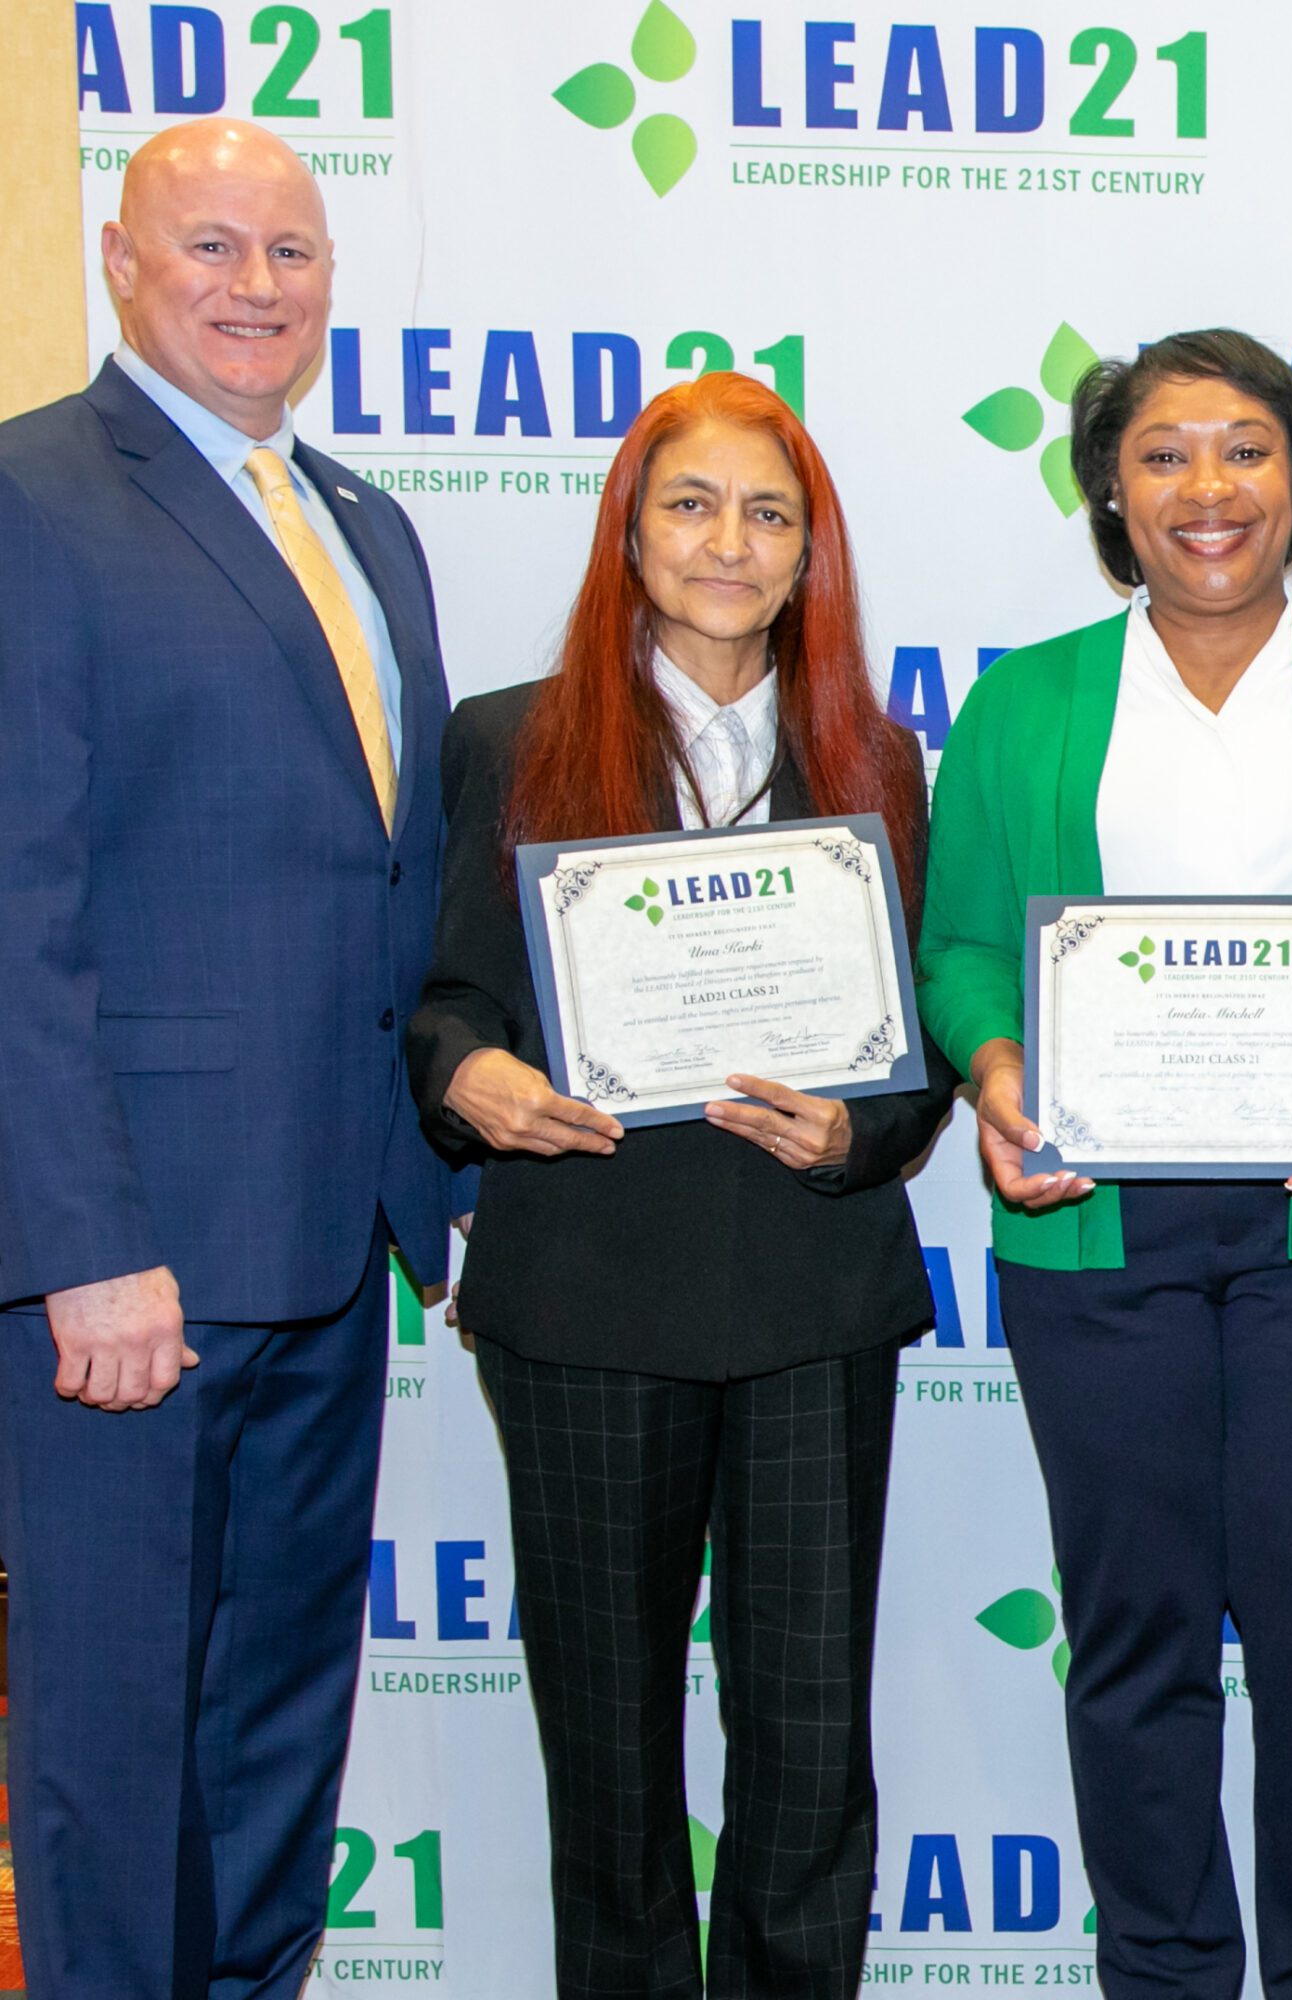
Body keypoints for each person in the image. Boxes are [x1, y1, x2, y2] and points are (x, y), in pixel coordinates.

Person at [918, 328, 1292, 2000]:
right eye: (1164, 452)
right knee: (1134, 1642)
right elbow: (960, 944)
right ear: (1111, 489)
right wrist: (1000, 1067)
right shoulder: (1026, 698)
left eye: (1245, 448)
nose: (1207, 488)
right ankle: (1166, 1976)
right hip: (1090, 1224)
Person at [405, 370, 956, 1998]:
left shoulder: (879, 755)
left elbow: (916, 1050)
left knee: (806, 1748)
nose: (732, 543)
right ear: (630, 532)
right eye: (694, 505)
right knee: (612, 1750)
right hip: (583, 1294)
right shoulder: (509, 737)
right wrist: (471, 1081)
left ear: (811, 553)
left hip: (811, 1293)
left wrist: (861, 1133)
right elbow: (445, 1003)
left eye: (769, 514)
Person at [0, 119, 450, 1998]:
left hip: (332, 1231)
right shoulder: (33, 495)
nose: (256, 286)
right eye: (212, 246)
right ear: (121, 261)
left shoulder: (367, 522)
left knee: (276, 1719)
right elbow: (16, 897)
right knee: (110, 1740)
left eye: (292, 251)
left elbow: (380, 873)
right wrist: (82, 1239)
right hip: (134, 1265)